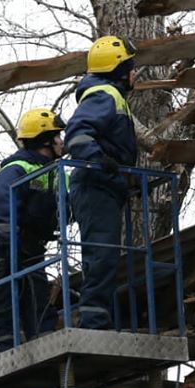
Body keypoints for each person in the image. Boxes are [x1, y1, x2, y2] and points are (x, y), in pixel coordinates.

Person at [64, 35, 138, 330]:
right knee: (101, 253)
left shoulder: (108, 95)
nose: (135, 73)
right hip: (95, 185)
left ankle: (98, 316)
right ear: (119, 70)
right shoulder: (104, 95)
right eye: (131, 67)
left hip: (103, 185)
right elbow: (77, 136)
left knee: (104, 253)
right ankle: (93, 320)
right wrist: (102, 162)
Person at [0, 107, 65, 355]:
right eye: (58, 136)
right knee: (3, 300)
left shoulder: (54, 174)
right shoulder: (16, 170)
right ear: (45, 140)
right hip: (3, 248)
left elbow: (67, 204)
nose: (62, 141)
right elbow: (1, 206)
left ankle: (44, 347)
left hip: (31, 246)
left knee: (38, 297)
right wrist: (11, 244)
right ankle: (0, 350)